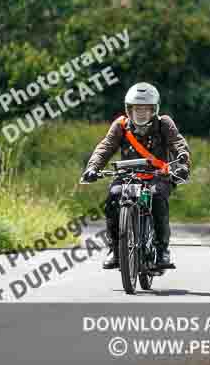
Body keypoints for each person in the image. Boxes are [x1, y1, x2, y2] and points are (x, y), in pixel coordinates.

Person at [81, 83, 191, 269]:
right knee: (114, 195)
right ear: (128, 109)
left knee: (157, 197)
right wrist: (92, 168)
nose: (140, 113)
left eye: (146, 109)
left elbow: (179, 144)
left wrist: (182, 165)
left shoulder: (164, 124)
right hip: (127, 176)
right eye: (136, 109)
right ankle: (115, 250)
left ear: (154, 109)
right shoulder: (121, 125)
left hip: (158, 176)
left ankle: (162, 250)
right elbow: (105, 147)